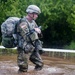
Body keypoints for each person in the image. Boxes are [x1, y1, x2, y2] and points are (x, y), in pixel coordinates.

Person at [17, 5, 44, 72]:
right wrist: (35, 31)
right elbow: (26, 37)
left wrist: (38, 32)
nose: (37, 16)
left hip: (32, 48)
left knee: (40, 64)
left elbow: (39, 36)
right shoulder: (23, 22)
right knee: (23, 69)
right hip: (24, 49)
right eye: (36, 14)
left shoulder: (33, 22)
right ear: (31, 13)